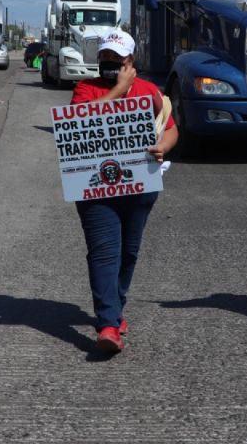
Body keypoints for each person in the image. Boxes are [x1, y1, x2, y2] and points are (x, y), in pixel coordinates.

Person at [69, 29, 178, 354]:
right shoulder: (86, 88)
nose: (108, 63)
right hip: (95, 189)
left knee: (128, 253)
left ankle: (114, 307)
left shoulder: (150, 92)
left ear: (131, 61)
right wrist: (117, 89)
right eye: (104, 58)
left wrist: (163, 148)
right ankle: (107, 325)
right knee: (104, 252)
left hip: (139, 188)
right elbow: (75, 124)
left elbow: (172, 130)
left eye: (115, 59)